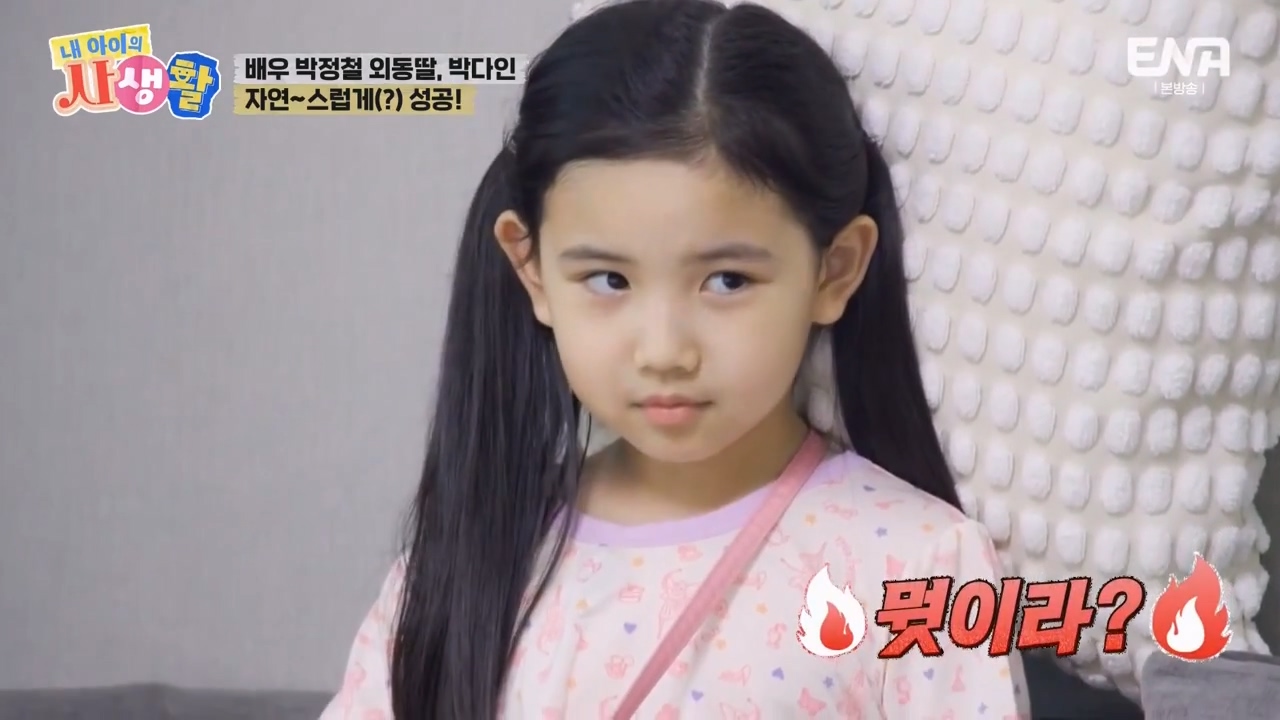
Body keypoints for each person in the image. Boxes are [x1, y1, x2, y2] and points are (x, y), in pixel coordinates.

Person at [320, 1, 1029, 717]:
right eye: (609, 280)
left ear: (834, 270)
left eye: (728, 281)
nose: (663, 352)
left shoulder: (920, 566)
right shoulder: (460, 566)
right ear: (532, 270)